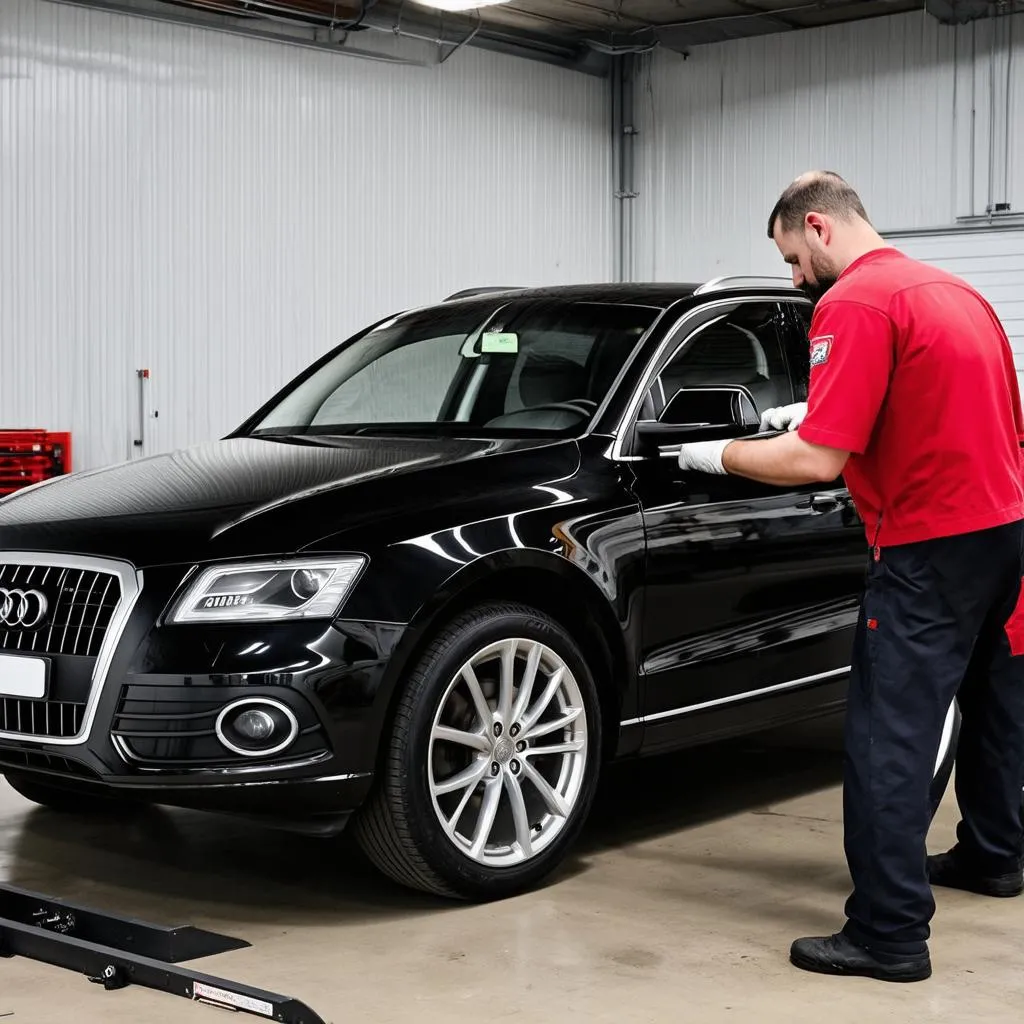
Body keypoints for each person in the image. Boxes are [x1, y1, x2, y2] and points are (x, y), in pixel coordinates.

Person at [676, 170, 1024, 982]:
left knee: (888, 737)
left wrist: (716, 453)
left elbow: (816, 461)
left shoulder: (855, 302)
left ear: (819, 228)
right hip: (1005, 531)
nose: (796, 279)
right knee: (997, 706)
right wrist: (826, 405)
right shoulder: (955, 293)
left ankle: (888, 932)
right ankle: (996, 856)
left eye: (794, 258)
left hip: (927, 546)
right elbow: (980, 413)